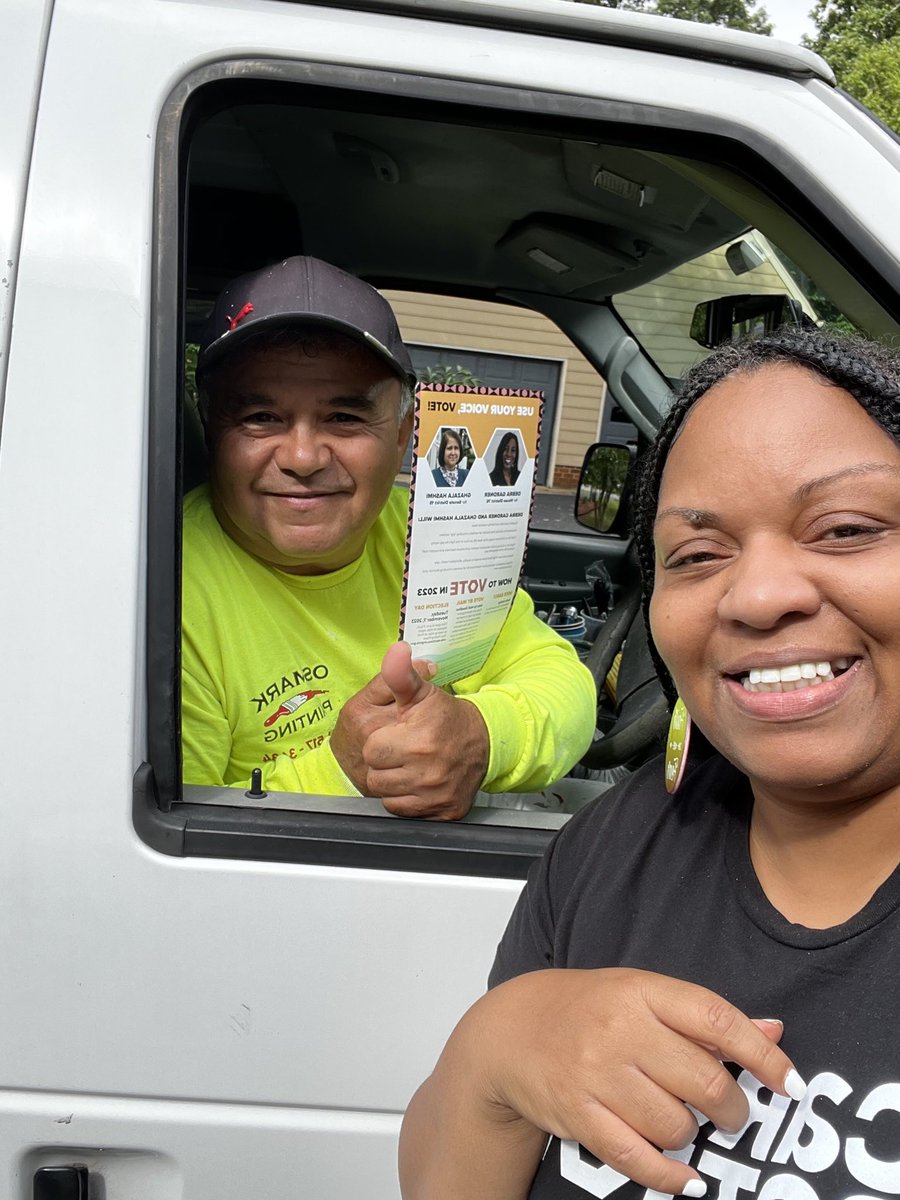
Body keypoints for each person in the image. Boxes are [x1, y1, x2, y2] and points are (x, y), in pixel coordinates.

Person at [400, 328, 900, 1194]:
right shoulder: (615, 846)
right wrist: (499, 1048)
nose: (758, 594)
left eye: (845, 529)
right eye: (698, 555)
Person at [181, 256, 596, 820]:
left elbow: (561, 680)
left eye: (345, 419)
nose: (303, 458)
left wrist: (478, 736)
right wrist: (346, 770)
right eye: (260, 416)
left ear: (402, 436)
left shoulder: (431, 529)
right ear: (211, 427)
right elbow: (176, 845)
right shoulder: (164, 590)